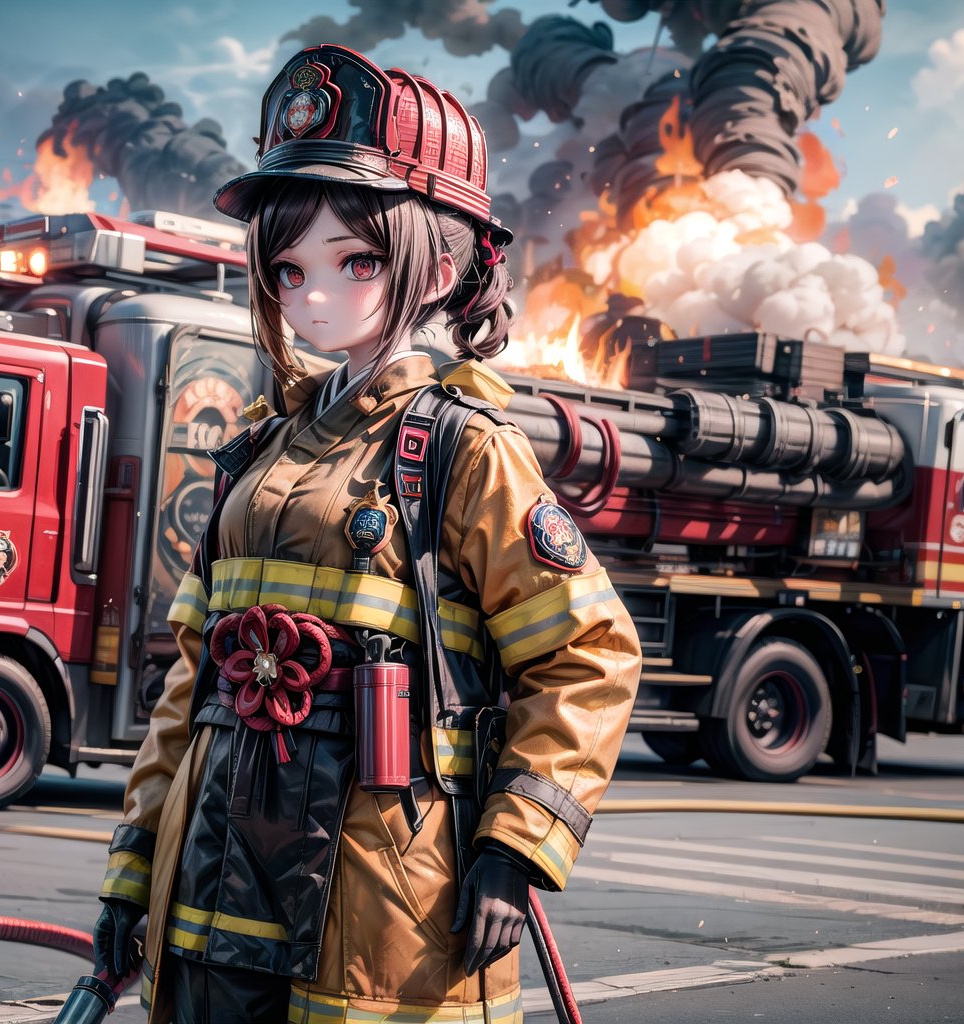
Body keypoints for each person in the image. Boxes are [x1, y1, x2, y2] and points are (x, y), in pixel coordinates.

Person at [91, 43, 642, 1024]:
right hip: (209, 881)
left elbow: (587, 651)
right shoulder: (253, 458)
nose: (312, 293)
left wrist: (515, 849)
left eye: (355, 259)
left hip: (385, 901)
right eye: (288, 265)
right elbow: (190, 683)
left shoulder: (463, 448)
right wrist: (134, 871)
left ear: (440, 264)